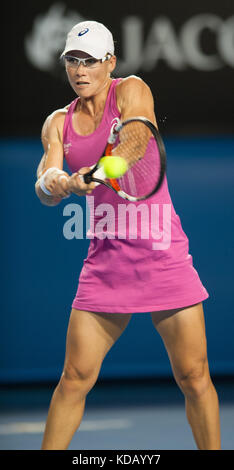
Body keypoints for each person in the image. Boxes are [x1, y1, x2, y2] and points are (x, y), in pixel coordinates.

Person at [35, 21, 221, 450]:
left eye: (90, 62)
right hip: (106, 264)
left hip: (162, 254)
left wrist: (94, 175)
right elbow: (45, 182)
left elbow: (136, 142)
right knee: (74, 378)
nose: (80, 71)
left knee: (194, 376)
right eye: (72, 61)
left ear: (110, 63)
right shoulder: (58, 123)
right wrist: (58, 184)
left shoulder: (132, 89)